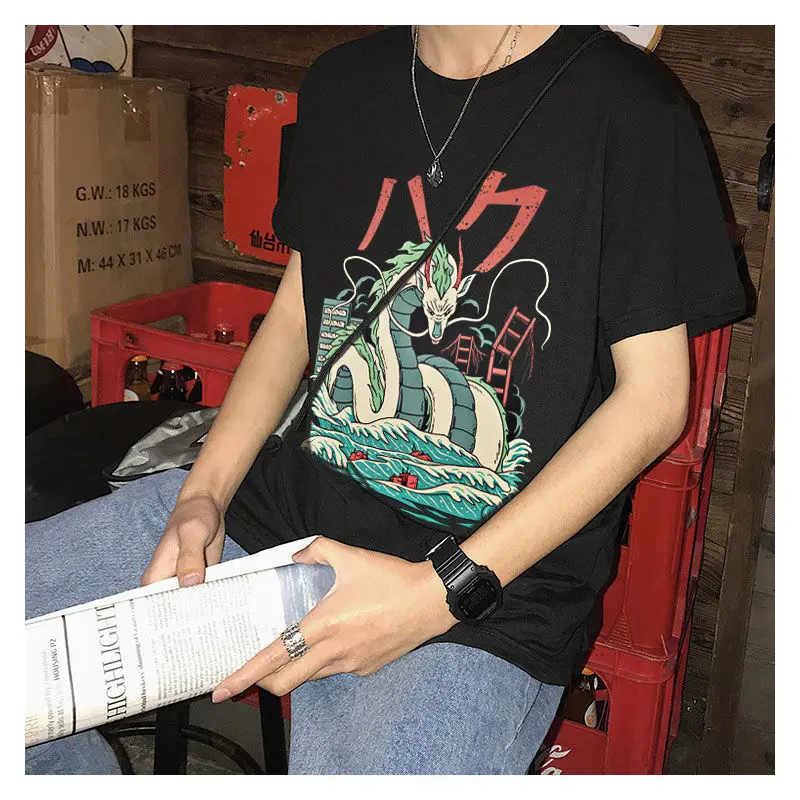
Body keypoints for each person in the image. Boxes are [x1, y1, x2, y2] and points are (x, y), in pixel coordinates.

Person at [26, 24, 746, 775]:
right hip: (281, 517)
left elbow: (655, 400)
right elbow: (297, 315)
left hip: (486, 590)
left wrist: (436, 594)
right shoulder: (342, 83)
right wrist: (202, 495)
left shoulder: (628, 105)